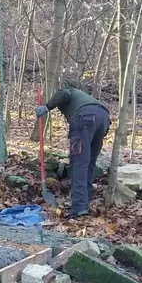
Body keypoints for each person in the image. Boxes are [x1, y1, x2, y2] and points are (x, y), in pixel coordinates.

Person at [36, 84, 111, 217]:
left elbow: (63, 93)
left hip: (86, 118)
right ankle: (85, 201)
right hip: (103, 118)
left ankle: (79, 208)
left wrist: (47, 107)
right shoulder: (85, 99)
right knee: (89, 163)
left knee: (79, 163)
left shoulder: (69, 92)